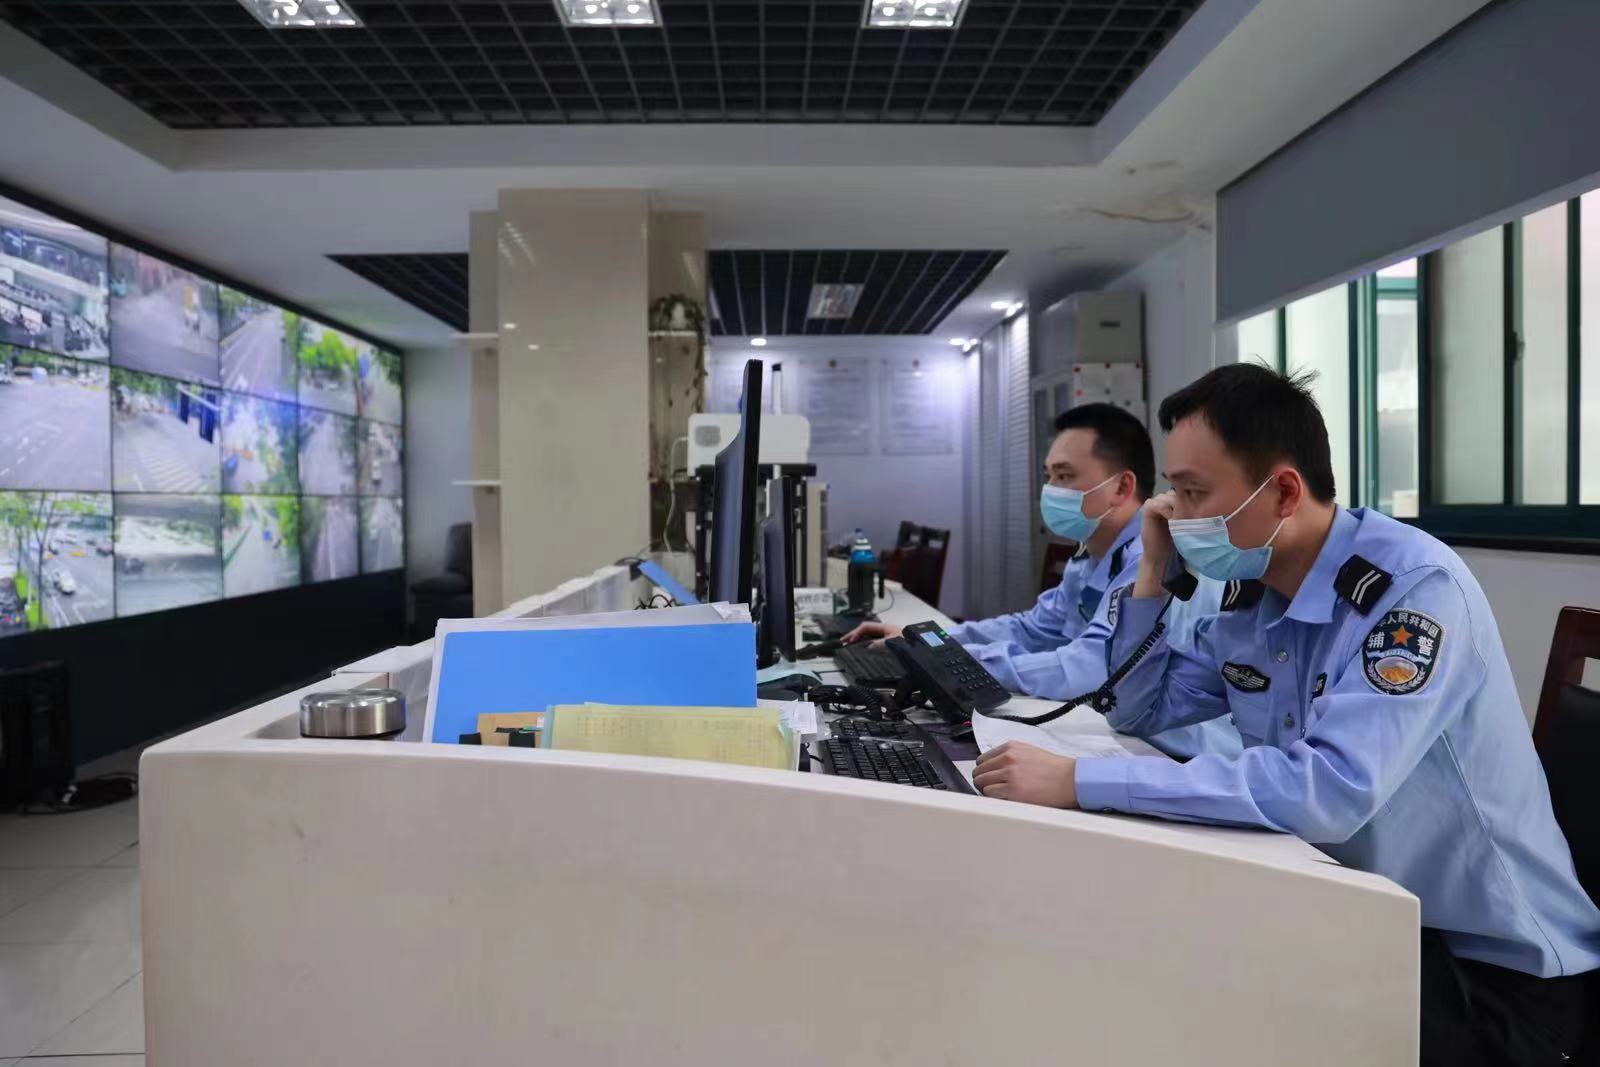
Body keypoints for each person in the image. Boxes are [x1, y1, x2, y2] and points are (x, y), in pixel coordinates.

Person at [972, 363, 1599, 1063]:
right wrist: (1151, 573)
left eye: (1192, 492)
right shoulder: (1256, 591)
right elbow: (1139, 708)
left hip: (1490, 977)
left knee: (1202, 1011)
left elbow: (1325, 791)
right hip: (1359, 912)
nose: (1173, 512)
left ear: (1284, 492)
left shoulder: (1411, 592)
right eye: (1173, 492)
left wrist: (1077, 781)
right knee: (1146, 963)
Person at [845, 403, 1234, 759]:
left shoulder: (1151, 556)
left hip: (1172, 749)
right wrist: (937, 642)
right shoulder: (1090, 554)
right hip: (1126, 731)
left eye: (1064, 476)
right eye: (1048, 476)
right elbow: (1034, 628)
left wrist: (955, 661)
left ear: (1121, 487)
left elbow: (1091, 666)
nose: (1050, 490)